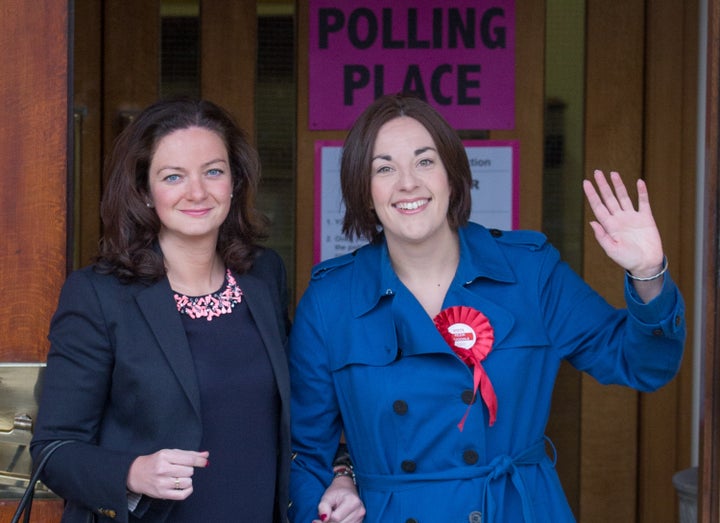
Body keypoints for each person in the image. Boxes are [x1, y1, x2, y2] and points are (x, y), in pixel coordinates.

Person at [287, 93, 686, 522]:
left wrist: (648, 272)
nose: (408, 183)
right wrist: (327, 502)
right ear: (365, 193)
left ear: (452, 177)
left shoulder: (529, 271)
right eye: (384, 168)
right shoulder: (330, 302)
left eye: (425, 161)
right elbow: (306, 453)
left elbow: (643, 364)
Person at [30, 98, 363, 523]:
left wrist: (340, 474)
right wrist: (132, 472)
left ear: (235, 182)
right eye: (173, 176)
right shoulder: (98, 294)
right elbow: (54, 448)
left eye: (213, 171)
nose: (198, 192)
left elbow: (296, 412)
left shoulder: (263, 276)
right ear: (144, 191)